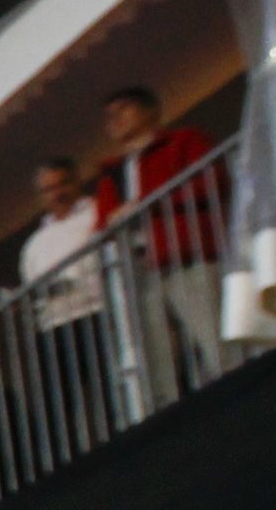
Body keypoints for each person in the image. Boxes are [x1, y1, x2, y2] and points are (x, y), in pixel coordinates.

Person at [93, 85, 226, 394]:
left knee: (215, 339)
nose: (115, 119)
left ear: (150, 111)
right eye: (109, 115)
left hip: (187, 255)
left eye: (123, 109)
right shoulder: (112, 172)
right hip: (140, 270)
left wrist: (146, 203)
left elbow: (212, 181)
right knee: (158, 361)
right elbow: (103, 224)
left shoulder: (184, 141)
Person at [17, 156, 111, 438]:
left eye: (62, 184)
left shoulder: (96, 214)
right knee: (61, 406)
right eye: (48, 189)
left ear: (76, 182)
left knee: (106, 388)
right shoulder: (33, 245)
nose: (57, 194)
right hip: (54, 327)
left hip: (95, 313)